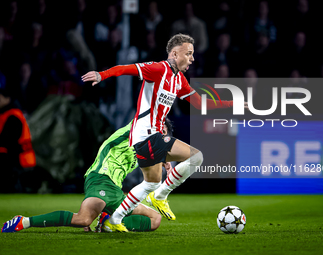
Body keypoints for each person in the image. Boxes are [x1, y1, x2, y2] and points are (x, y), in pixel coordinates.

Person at [82, 33, 246, 232]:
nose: (192, 58)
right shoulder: (159, 69)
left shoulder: (179, 79)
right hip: (147, 133)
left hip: (149, 136)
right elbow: (126, 68)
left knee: (150, 183)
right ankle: (160, 196)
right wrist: (102, 74)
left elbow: (201, 103)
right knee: (196, 157)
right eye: (189, 53)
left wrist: (231, 104)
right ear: (175, 54)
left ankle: (113, 220)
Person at [1, 118, 174, 233]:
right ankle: (24, 221)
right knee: (83, 219)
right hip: (101, 179)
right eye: (161, 131)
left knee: (155, 219)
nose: (161, 137)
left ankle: (106, 223)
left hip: (116, 191)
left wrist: (163, 160)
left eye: (164, 135)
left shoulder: (146, 151)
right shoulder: (137, 127)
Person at [0, 73, 36, 193]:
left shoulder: (13, 116)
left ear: (7, 98)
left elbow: (7, 141)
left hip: (18, 162)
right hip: (15, 160)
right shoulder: (6, 115)